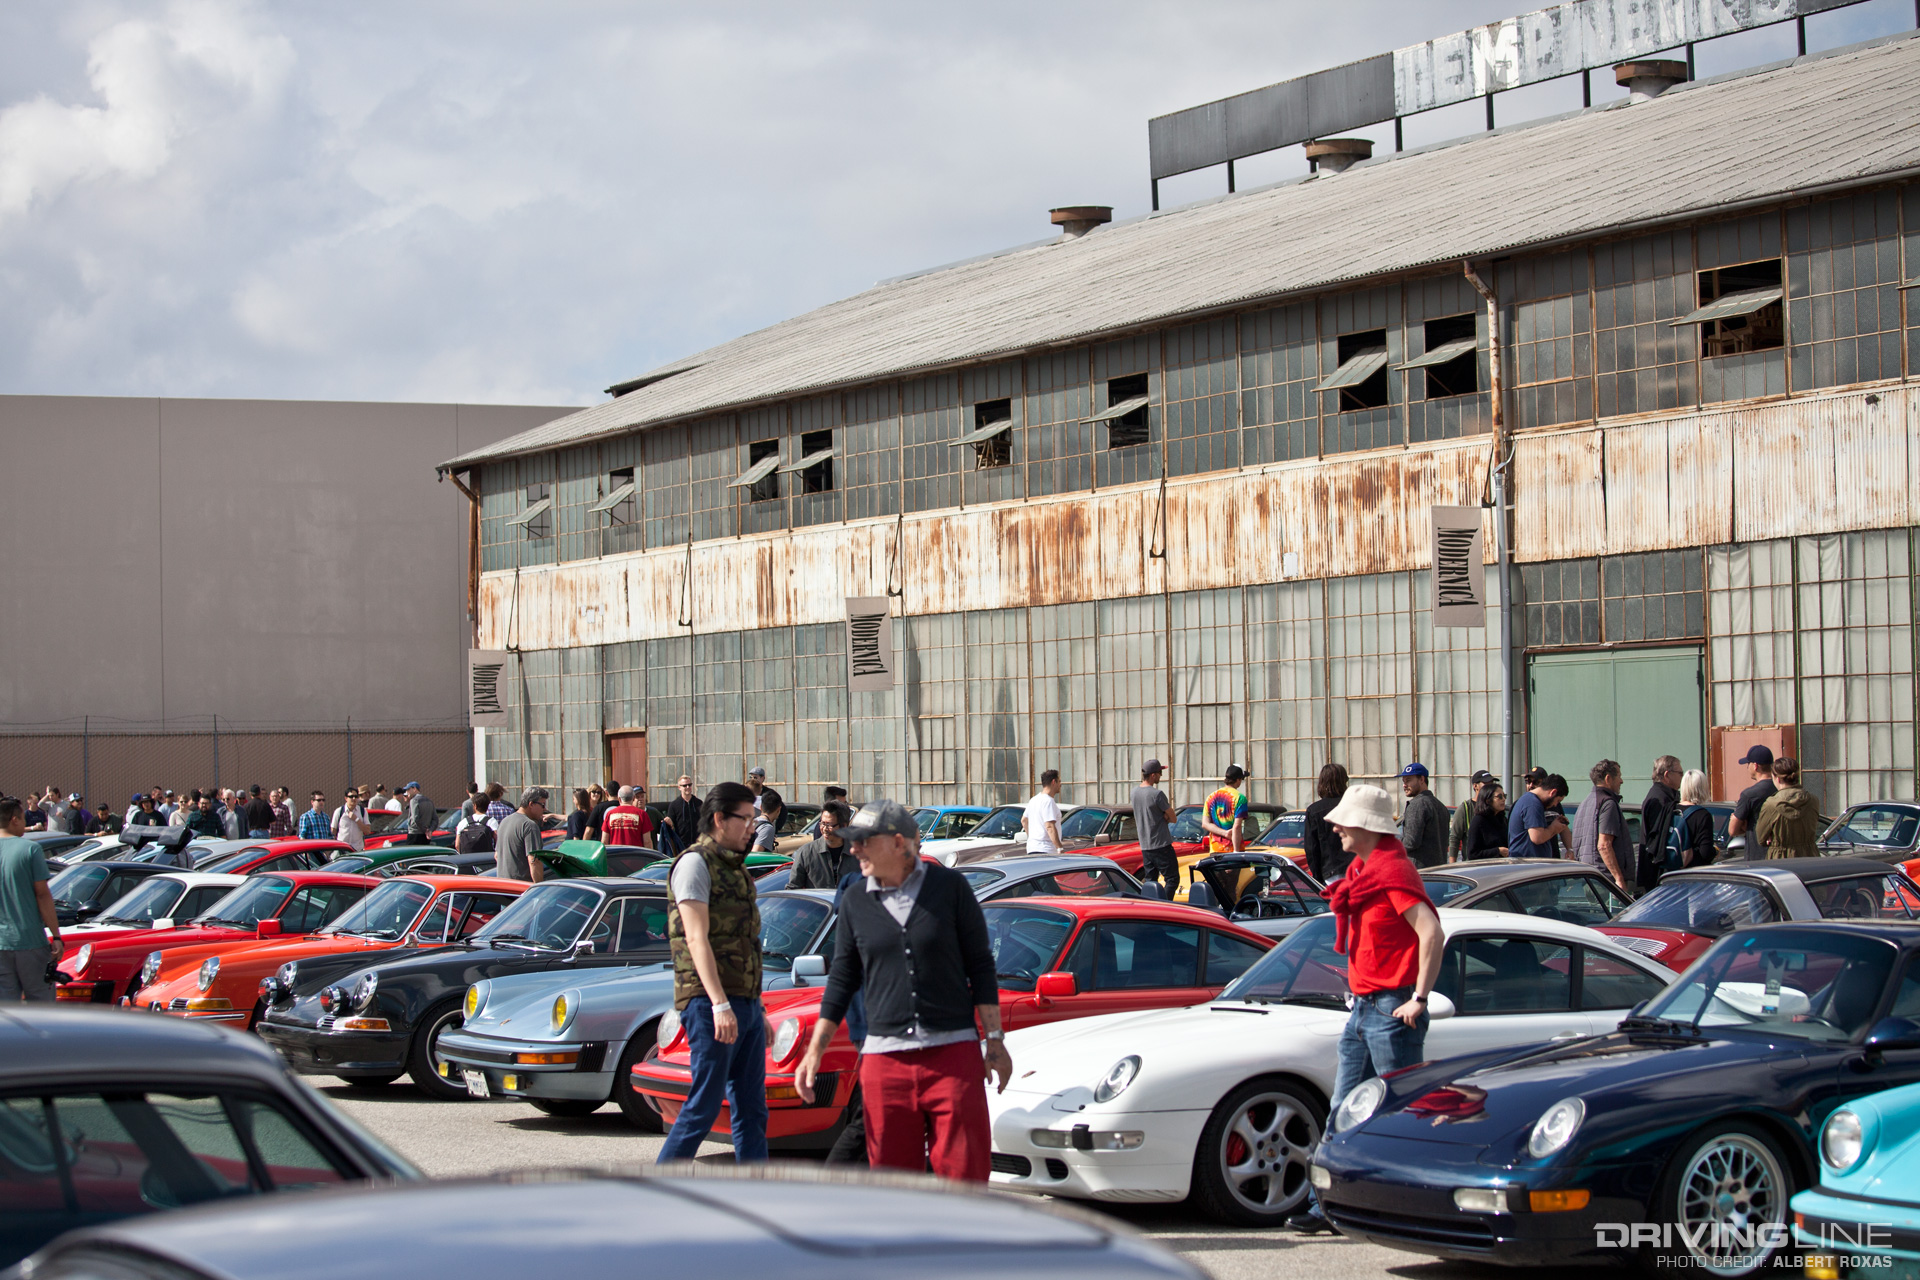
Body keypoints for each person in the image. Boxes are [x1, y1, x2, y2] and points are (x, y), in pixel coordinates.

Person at [796, 799, 1007, 1181]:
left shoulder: (950, 889)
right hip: (884, 1062)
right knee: (893, 1185)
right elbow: (843, 977)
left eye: (862, 840)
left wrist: (994, 1041)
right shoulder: (857, 899)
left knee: (965, 1175)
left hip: (952, 1057)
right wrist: (815, 1052)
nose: (853, 848)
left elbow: (980, 965)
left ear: (897, 843)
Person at [1286, 783, 1442, 1235]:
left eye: (1342, 822)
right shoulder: (1363, 874)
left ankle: (1413, 1208)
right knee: (1342, 1111)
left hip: (1393, 1010)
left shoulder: (1394, 874)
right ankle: (1329, 1207)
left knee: (1400, 1113)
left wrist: (1419, 999)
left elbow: (1431, 933)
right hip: (1364, 1009)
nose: (1334, 829)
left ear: (1364, 827)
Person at [658, 781, 767, 1163]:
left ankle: (756, 1197)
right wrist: (720, 1005)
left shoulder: (737, 869)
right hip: (708, 1004)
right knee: (704, 1105)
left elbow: (746, 943)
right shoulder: (694, 864)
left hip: (746, 1003)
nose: (752, 827)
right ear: (720, 819)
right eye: (746, 819)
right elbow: (696, 938)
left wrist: (759, 1009)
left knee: (753, 1110)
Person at [0, 799, 62, 1001]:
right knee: (41, 1009)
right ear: (15, 820)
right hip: (29, 941)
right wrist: (56, 936)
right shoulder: (30, 849)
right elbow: (42, 894)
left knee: (6, 1012)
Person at [1569, 760, 1630, 890]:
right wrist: (1619, 879)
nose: (1621, 781)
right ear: (1608, 778)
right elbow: (1604, 845)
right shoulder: (1608, 804)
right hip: (1606, 881)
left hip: (1589, 878)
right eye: (1619, 776)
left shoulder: (1585, 803)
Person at [1756, 756, 1820, 859]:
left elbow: (1761, 839)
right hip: (1809, 856)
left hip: (1781, 858)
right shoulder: (1813, 800)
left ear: (1777, 778)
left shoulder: (1771, 804)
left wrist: (1772, 836)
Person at [1132, 759, 1177, 899]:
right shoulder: (1156, 794)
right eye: (1159, 773)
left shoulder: (1134, 792)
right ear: (1153, 775)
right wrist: (1164, 816)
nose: (1161, 776)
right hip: (1161, 844)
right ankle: (1165, 905)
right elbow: (1174, 818)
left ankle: (1152, 906)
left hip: (1145, 845)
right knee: (1172, 879)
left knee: (1151, 881)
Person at [1639, 756, 1683, 892]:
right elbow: (1659, 838)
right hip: (1658, 873)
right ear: (1667, 775)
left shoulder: (1664, 796)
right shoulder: (1660, 800)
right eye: (1680, 773)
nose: (1682, 776)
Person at [788, 801, 857, 889]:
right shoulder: (806, 853)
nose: (824, 829)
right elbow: (793, 888)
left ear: (844, 826)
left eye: (829, 825)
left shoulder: (858, 852)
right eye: (822, 823)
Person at [1726, 745, 1778, 856]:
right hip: (1779, 856)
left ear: (1755, 766)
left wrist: (1746, 826)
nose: (1747, 767)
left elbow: (1732, 830)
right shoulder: (1780, 790)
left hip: (1757, 856)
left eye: (1748, 764)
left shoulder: (1749, 795)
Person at [1303, 763, 1351, 881]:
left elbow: (1312, 849)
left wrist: (1318, 877)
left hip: (1330, 874)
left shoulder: (1314, 811)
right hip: (1357, 871)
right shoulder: (1354, 805)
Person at [1396, 763, 1448, 869]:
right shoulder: (1441, 806)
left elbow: (1410, 842)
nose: (1404, 785)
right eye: (1403, 781)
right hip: (1440, 872)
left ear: (1421, 779)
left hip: (1419, 872)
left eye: (1409, 780)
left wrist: (1391, 847)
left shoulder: (1416, 804)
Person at [1507, 767, 1568, 856]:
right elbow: (1537, 837)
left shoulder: (1532, 801)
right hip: (1528, 865)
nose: (1555, 805)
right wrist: (1554, 827)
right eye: (1558, 800)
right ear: (1553, 792)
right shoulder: (1532, 804)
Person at [494, 789, 548, 883]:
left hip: (502, 887)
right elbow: (534, 861)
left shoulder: (504, 821)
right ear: (531, 804)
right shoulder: (529, 825)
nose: (545, 809)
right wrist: (538, 889)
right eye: (542, 805)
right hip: (521, 889)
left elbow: (497, 855)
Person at [1202, 764, 1249, 855]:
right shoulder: (1240, 798)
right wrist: (1236, 851)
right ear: (1238, 780)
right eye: (1242, 779)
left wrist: (1224, 833)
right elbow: (1237, 826)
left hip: (1215, 849)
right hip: (1232, 849)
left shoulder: (1211, 797)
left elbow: (1205, 824)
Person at [1447, 770, 1494, 862]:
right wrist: (1452, 865)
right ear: (1475, 786)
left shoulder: (1495, 808)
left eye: (1492, 784)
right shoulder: (1465, 808)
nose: (1490, 788)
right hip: (1472, 864)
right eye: (1486, 784)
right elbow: (1454, 838)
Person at [1023, 770, 1064, 855]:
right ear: (1054, 782)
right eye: (1059, 781)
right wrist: (1059, 847)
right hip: (1046, 849)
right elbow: (1049, 826)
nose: (1060, 784)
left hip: (1032, 848)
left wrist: (1032, 838)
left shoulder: (1033, 800)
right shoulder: (1048, 801)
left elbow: (1024, 820)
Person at [1465, 786, 1509, 858]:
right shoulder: (1478, 821)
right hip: (1486, 867)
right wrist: (1497, 851)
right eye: (1500, 797)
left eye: (1504, 796)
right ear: (1488, 800)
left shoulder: (1503, 820)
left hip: (1503, 866)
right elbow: (1472, 854)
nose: (1503, 799)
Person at [664, 776, 700, 853]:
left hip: (697, 845)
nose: (688, 787)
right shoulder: (674, 805)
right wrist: (668, 822)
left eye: (689, 785)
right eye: (684, 785)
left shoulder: (698, 803)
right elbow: (670, 824)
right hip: (680, 846)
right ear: (679, 787)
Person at [333, 788, 370, 852]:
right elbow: (333, 830)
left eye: (356, 796)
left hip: (357, 849)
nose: (354, 798)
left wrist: (356, 819)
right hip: (342, 849)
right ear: (346, 798)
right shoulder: (339, 811)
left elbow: (368, 831)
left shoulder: (362, 811)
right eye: (351, 796)